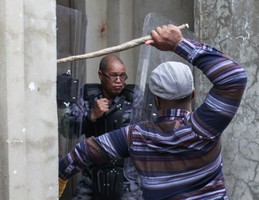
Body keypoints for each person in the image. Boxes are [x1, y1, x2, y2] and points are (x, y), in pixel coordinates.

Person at [59, 24, 247, 199]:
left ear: (156, 100)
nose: (118, 80)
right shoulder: (205, 127)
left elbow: (83, 152)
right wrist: (178, 44)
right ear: (192, 94)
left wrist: (59, 178)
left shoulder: (136, 136)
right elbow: (234, 77)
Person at [71, 55, 141, 200]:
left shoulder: (134, 98)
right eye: (114, 76)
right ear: (101, 75)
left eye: (123, 76)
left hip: (127, 173)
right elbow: (67, 131)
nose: (119, 81)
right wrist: (91, 116)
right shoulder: (88, 97)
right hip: (93, 171)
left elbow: (149, 129)